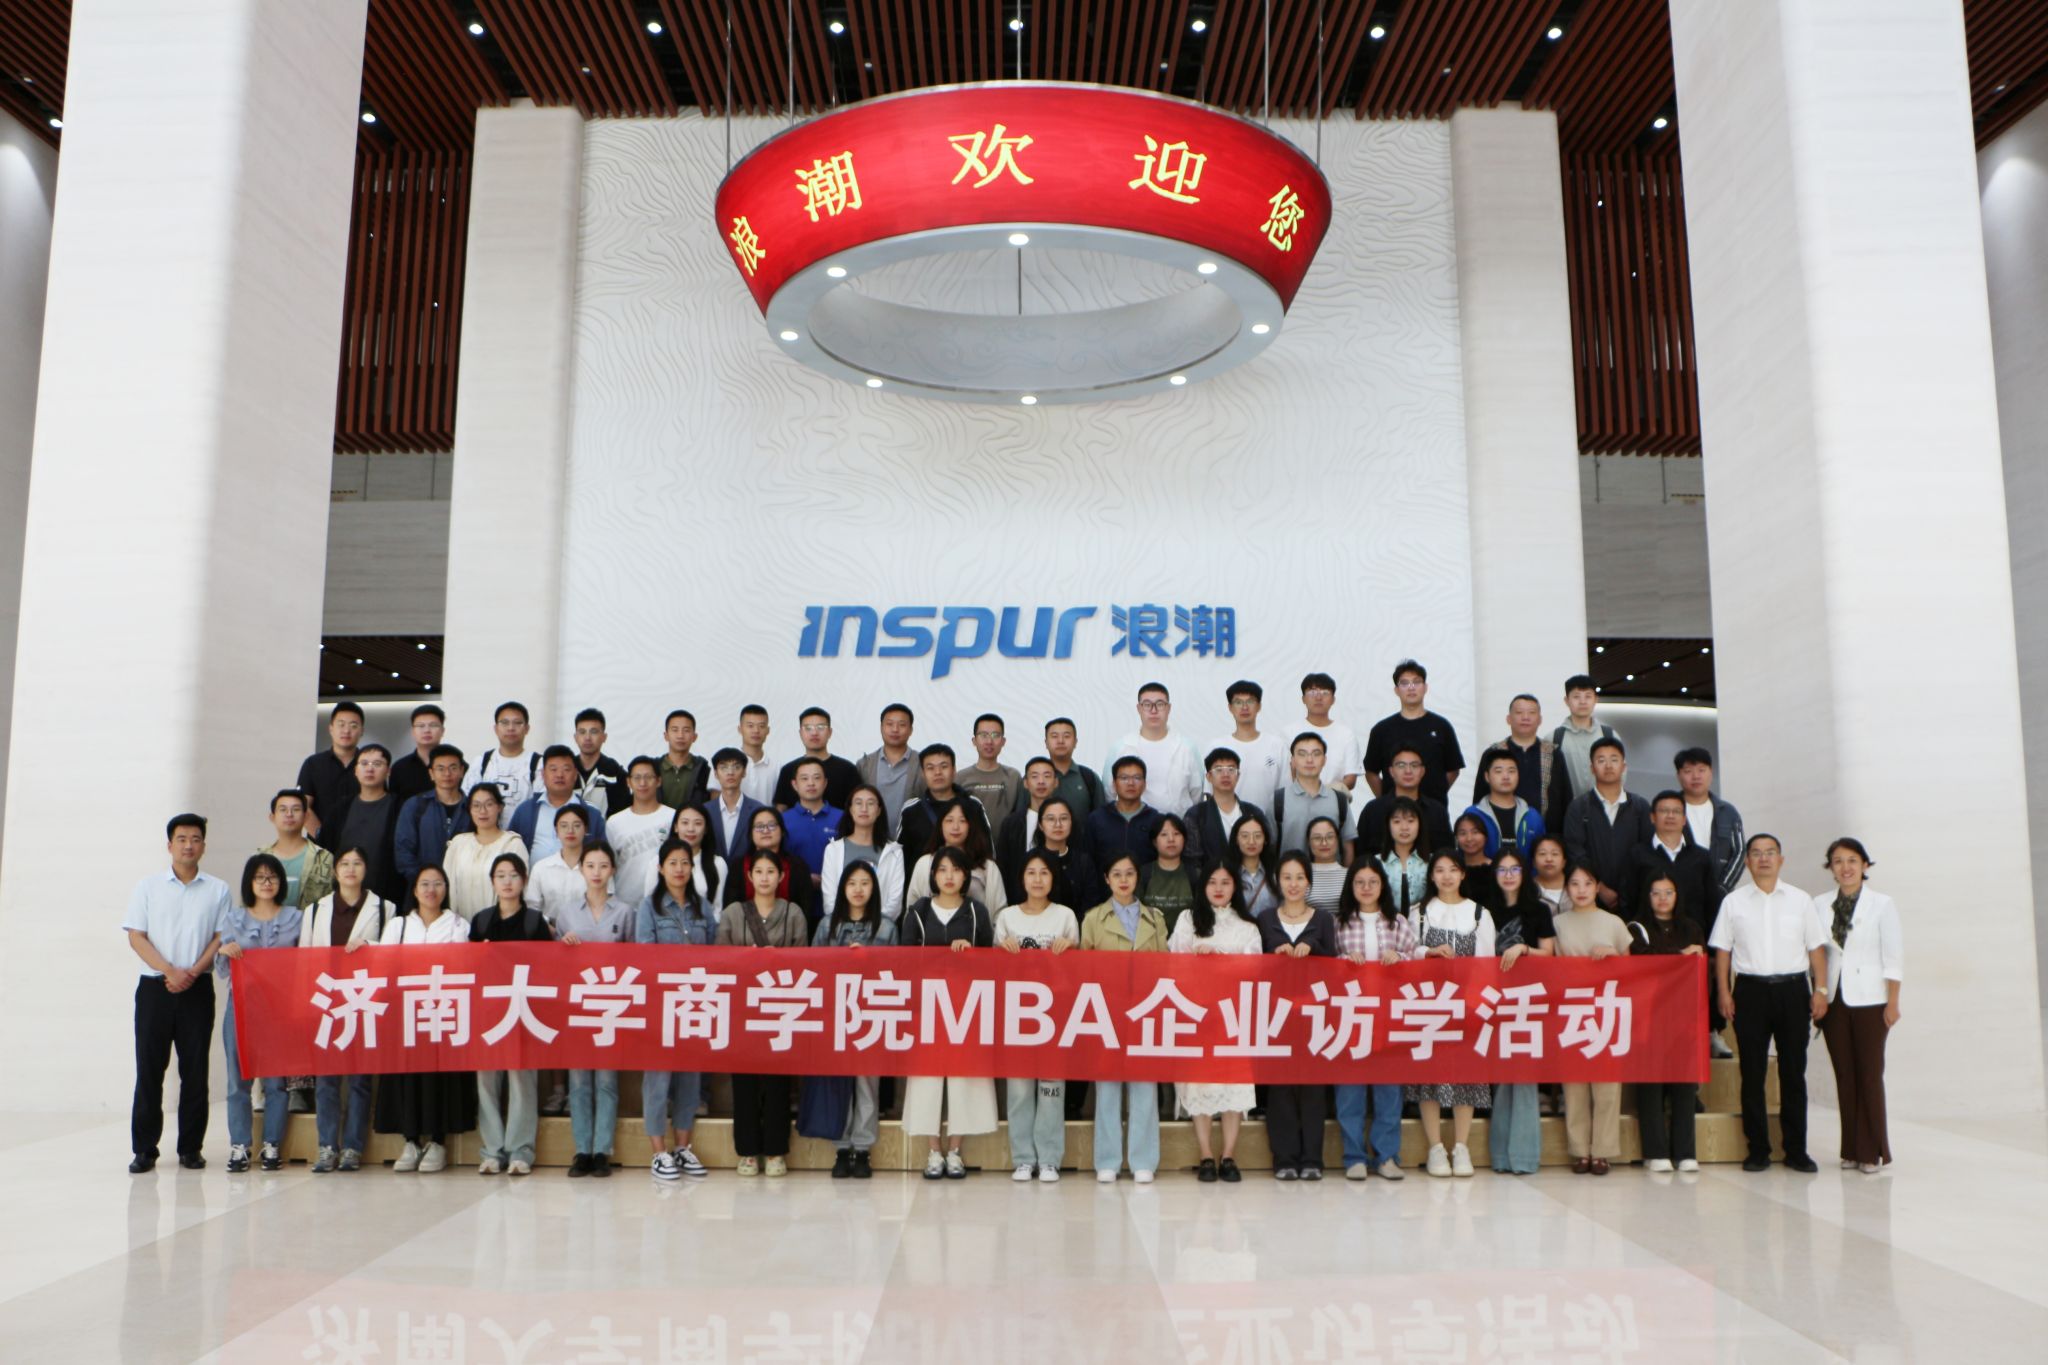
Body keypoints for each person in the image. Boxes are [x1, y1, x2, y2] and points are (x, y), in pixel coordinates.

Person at [1710, 834, 1829, 1174]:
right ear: (1747, 861)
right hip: (1750, 992)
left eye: (1770, 853)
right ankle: (1758, 1149)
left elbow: (1816, 949)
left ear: (1781, 860)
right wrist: (1724, 992)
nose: (1763, 858)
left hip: (1793, 991)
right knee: (1752, 1074)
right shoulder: (1733, 902)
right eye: (1756, 853)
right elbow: (1723, 951)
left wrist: (1820, 990)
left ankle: (1796, 1150)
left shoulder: (1800, 900)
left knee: (1793, 1073)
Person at [125, 816, 229, 1173]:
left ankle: (190, 1148)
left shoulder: (218, 890)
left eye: (195, 839)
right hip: (155, 988)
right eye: (181, 839)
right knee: (149, 1070)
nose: (188, 845)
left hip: (197, 988)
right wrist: (170, 971)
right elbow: (136, 935)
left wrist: (193, 971)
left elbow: (220, 937)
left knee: (195, 1070)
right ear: (169, 845)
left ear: (203, 846)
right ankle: (144, 1149)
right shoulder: (148, 887)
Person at [899, 847, 999, 1178]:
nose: (949, 876)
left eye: (956, 869)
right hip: (927, 1009)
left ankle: (955, 1150)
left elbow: (989, 962)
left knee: (963, 1079)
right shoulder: (918, 911)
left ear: (965, 875)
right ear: (933, 876)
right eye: (942, 869)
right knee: (926, 1079)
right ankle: (933, 1151)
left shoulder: (976, 912)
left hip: (965, 1009)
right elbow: (906, 961)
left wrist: (971, 954)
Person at [372, 865, 475, 1172]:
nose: (431, 890)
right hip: (405, 1013)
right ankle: (410, 1140)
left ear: (446, 889)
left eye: (438, 883)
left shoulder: (458, 925)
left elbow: (464, 966)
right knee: (407, 1076)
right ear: (415, 890)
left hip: (443, 1012)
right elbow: (383, 965)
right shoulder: (399, 925)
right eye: (425, 884)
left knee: (439, 1077)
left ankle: (438, 1142)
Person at [716, 850, 812, 1175]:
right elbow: (720, 960)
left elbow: (804, 960)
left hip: (781, 1006)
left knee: (777, 1082)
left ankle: (775, 1151)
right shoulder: (733, 913)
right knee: (743, 1081)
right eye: (759, 871)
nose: (765, 877)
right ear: (749, 876)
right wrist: (748, 959)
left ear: (781, 876)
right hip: (742, 1008)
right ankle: (746, 1151)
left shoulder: (794, 913)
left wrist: (778, 960)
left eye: (771, 871)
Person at [299, 846, 391, 1171]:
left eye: (357, 863)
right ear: (335, 870)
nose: (351, 869)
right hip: (326, 1002)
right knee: (326, 1080)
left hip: (364, 1001)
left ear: (366, 869)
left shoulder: (385, 907)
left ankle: (352, 1147)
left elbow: (394, 953)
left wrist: (370, 946)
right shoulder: (315, 910)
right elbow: (304, 960)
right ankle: (327, 1147)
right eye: (345, 864)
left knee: (359, 1080)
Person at [1815, 838, 1904, 1175]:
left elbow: (1893, 956)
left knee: (1869, 1074)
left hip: (1871, 999)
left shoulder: (1882, 904)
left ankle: (1872, 1151)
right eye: (1838, 861)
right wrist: (1819, 992)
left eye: (1852, 860)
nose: (1846, 867)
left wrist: (1893, 1001)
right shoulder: (1819, 904)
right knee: (1845, 1075)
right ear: (1831, 868)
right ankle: (1851, 1148)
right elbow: (1818, 953)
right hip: (1834, 999)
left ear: (1865, 865)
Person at [1169, 863, 1262, 1182]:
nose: (1219, 888)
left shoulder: (1247, 926)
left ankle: (1229, 1155)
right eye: (1212, 882)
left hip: (1233, 1017)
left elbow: (1254, 968)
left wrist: (1218, 955)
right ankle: (1206, 1154)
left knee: (1234, 1084)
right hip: (1196, 1015)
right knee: (1199, 1084)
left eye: (1226, 882)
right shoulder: (1187, 919)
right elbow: (1175, 963)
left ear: (1236, 887)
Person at [1079, 852, 1167, 1183]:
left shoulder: (1155, 918)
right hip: (1107, 1012)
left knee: (1144, 1086)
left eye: (1129, 873)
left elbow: (1165, 966)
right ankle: (1108, 1160)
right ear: (1107, 879)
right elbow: (1084, 970)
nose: (1124, 880)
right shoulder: (1093, 919)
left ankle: (1143, 1160)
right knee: (1108, 1087)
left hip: (1145, 1011)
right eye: (1116, 874)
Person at [808, 860, 897, 1179]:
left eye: (865, 883)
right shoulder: (826, 925)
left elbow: (897, 973)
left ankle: (863, 1148)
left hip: (871, 1014)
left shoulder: (886, 927)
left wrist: (869, 959)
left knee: (867, 1084)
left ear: (874, 889)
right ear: (842, 888)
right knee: (839, 1084)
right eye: (852, 883)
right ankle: (842, 1147)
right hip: (835, 1015)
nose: (858, 890)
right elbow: (813, 969)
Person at [215, 854, 304, 1173]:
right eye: (260, 877)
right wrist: (223, 951)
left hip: (279, 1010)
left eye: (272, 877)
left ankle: (272, 1144)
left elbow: (306, 962)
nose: (267, 883)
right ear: (249, 883)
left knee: (276, 1082)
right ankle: (240, 1145)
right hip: (241, 1006)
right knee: (237, 1080)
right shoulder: (234, 919)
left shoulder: (296, 918)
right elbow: (222, 970)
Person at [995, 852, 1080, 1182]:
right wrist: (1002, 952)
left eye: (1044, 872)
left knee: (1051, 1089)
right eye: (1031, 872)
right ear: (1022, 878)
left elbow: (1080, 967)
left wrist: (1070, 949)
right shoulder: (1006, 917)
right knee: (1018, 1091)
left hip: (1055, 1015)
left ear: (1053, 878)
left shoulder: (1066, 916)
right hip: (1017, 1016)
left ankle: (1049, 1159)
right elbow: (992, 969)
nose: (1038, 879)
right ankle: (1023, 1159)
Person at [636, 839, 718, 1180]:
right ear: (660, 868)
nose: (679, 869)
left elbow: (715, 952)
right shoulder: (648, 907)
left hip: (695, 1003)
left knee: (690, 1078)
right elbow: (644, 955)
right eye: (672, 863)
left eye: (685, 862)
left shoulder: (703, 907)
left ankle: (683, 1148)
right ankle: (659, 1152)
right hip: (660, 1004)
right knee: (657, 1079)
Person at [1410, 851, 1494, 1177]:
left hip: (1466, 1008)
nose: (1446, 876)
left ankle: (1461, 1147)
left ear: (1462, 875)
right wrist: (1427, 952)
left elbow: (1487, 967)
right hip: (1429, 1007)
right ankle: (1435, 1148)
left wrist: (1474, 1007)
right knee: (1428, 1079)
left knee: (1466, 1078)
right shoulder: (1419, 913)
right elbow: (1407, 955)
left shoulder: (1479, 913)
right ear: (1431, 876)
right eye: (1440, 870)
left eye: (1453, 870)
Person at [470, 853, 553, 1177]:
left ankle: (521, 1151)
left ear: (524, 881)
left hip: (523, 1011)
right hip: (489, 1013)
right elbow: (469, 968)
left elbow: (547, 967)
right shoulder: (480, 921)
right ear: (492, 882)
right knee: (486, 1080)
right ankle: (492, 1151)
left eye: (514, 875)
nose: (507, 882)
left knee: (522, 1081)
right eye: (501, 875)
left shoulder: (534, 921)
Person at [1332, 859, 1416, 1180]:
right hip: (1350, 1016)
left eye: (1373, 882)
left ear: (1383, 885)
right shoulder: (1339, 922)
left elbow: (1417, 959)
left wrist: (1401, 957)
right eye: (1360, 882)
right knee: (1349, 1092)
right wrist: (1343, 961)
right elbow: (1324, 965)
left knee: (1388, 1091)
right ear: (1351, 887)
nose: (1366, 888)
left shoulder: (1397, 922)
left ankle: (1387, 1157)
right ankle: (1354, 1156)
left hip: (1389, 1016)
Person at [1258, 852, 1339, 1179]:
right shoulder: (1265, 919)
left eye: (1299, 877)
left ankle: (1312, 1160)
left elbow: (1334, 965)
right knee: (1280, 1089)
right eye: (1287, 877)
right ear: (1278, 882)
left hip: (1314, 1015)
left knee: (1313, 1089)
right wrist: (1274, 954)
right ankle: (1285, 1159)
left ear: (1309, 882)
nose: (1293, 884)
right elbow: (1255, 965)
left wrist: (1313, 950)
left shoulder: (1324, 919)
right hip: (1276, 1015)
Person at [558, 842, 635, 1178]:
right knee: (578, 1081)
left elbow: (635, 959)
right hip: (576, 1005)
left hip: (611, 1006)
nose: (597, 872)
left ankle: (602, 1150)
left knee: (605, 1080)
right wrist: (563, 946)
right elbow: (553, 963)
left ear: (613, 870)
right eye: (591, 866)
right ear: (581, 869)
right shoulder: (566, 913)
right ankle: (581, 1150)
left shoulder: (626, 912)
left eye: (604, 866)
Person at [1553, 863, 1633, 1174]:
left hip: (1605, 1008)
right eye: (1575, 884)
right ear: (1567, 889)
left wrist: (1613, 955)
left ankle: (1603, 1150)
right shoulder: (1557, 923)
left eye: (1588, 883)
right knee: (1574, 1084)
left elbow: (1631, 970)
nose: (1582, 890)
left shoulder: (1614, 922)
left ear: (1598, 886)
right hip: (1571, 1009)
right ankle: (1579, 1150)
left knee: (1607, 1085)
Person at [1629, 869, 1705, 1173]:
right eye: (1656, 893)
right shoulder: (1636, 928)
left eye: (1668, 893)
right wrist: (1680, 955)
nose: (1662, 899)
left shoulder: (1691, 928)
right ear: (1647, 897)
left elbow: (1699, 968)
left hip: (1684, 1015)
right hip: (1647, 1015)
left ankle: (1685, 1152)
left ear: (1677, 896)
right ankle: (1655, 1152)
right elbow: (1643, 960)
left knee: (1685, 1086)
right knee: (1650, 1086)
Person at [1486, 850, 1555, 1174]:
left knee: (1525, 1077)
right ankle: (1501, 1157)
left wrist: (1524, 948)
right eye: (1503, 869)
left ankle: (1524, 1157)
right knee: (1501, 1078)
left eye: (1515, 869)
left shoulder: (1538, 909)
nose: (1509, 875)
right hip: (1493, 999)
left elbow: (1549, 953)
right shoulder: (1484, 910)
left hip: (1529, 999)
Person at [1560, 737, 1651, 912]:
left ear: (1623, 766)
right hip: (1590, 898)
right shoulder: (1578, 807)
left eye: (1614, 760)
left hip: (1634, 898)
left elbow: (1646, 852)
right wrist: (1599, 888)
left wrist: (1627, 890)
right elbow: (1575, 851)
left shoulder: (1640, 807)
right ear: (1592, 768)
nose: (1608, 766)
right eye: (1601, 760)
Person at [1363, 661, 1465, 802]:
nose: (1411, 688)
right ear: (1396, 690)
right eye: (1405, 683)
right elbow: (1371, 772)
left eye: (1416, 682)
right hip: (1394, 809)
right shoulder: (1381, 730)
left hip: (1434, 808)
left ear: (1425, 687)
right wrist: (1386, 800)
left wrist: (1437, 794)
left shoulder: (1442, 726)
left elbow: (1453, 769)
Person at [1629, 790, 1724, 940]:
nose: (1670, 816)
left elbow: (1712, 905)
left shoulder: (1701, 857)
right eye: (1664, 811)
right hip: (1650, 943)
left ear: (1684, 819)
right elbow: (1628, 900)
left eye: (1676, 811)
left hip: (1694, 940)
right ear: (1652, 817)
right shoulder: (1638, 855)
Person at [1104, 682, 1204, 815]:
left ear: (1168, 708)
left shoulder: (1187, 748)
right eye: (1147, 704)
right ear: (1139, 708)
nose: (1153, 710)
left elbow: (1197, 794)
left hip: (1179, 824)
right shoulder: (1121, 747)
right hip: (1134, 824)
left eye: (1160, 704)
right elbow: (1108, 794)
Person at [719, 806, 821, 928]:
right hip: (744, 934)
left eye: (772, 825)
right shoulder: (739, 865)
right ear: (751, 834)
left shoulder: (797, 865)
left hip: (788, 933)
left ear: (782, 831)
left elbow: (805, 910)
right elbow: (730, 908)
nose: (766, 831)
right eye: (759, 826)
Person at [819, 785, 906, 926]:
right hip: (841, 930)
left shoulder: (894, 852)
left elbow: (894, 903)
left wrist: (872, 928)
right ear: (850, 809)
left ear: (879, 810)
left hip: (880, 931)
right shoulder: (833, 849)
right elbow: (830, 901)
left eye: (870, 803)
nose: (864, 808)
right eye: (858, 803)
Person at [507, 746, 608, 863]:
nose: (559, 775)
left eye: (566, 769)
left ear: (575, 775)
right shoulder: (525, 811)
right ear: (543, 774)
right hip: (535, 874)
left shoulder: (592, 815)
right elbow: (510, 849)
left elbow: (603, 856)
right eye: (553, 769)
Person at [1470, 693, 1564, 817]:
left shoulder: (1552, 753)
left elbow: (1564, 797)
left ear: (1540, 719)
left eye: (1531, 713)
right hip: (1500, 824)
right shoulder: (1493, 753)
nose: (1525, 717)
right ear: (1508, 719)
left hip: (1544, 826)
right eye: (1519, 712)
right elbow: (1480, 795)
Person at [443, 784, 528, 916]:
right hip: (460, 924)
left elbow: (521, 889)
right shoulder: (458, 844)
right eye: (476, 805)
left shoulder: (512, 844)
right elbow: (446, 885)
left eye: (489, 804)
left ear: (499, 807)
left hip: (499, 924)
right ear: (469, 809)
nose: (482, 811)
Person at [394, 744, 473, 884]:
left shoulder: (473, 807)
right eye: (440, 768)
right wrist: (422, 881)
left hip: (464, 885)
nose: (447, 774)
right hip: (423, 887)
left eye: (453, 768)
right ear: (431, 773)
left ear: (462, 771)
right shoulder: (415, 805)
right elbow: (403, 849)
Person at [334, 744, 403, 902]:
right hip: (344, 894)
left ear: (388, 771)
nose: (370, 769)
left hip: (387, 895)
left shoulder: (400, 807)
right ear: (355, 770)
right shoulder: (340, 809)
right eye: (364, 764)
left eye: (377, 764)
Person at [896, 744, 992, 856]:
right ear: (923, 773)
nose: (938, 772)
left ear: (954, 770)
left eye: (944, 766)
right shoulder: (911, 810)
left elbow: (987, 851)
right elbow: (899, 857)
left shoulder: (973, 805)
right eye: (930, 768)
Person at [1675, 747, 1746, 897]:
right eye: (1688, 771)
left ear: (1711, 772)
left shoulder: (1728, 812)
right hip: (1681, 894)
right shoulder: (1670, 810)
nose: (1696, 776)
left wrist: (1723, 888)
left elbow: (1740, 852)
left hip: (1721, 894)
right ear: (1678, 775)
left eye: (1701, 770)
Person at [606, 756, 677, 905]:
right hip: (624, 903)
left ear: (659, 781)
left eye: (648, 777)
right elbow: (608, 865)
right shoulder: (615, 822)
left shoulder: (672, 817)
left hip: (663, 904)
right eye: (637, 778)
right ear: (628, 782)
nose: (642, 783)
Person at [1354, 748, 1454, 853]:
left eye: (1414, 765)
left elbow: (1447, 853)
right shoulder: (1373, 810)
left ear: (1422, 771)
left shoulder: (1437, 811)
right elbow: (1360, 853)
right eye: (1401, 765)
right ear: (1391, 771)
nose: (1408, 771)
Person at [1184, 746, 1270, 867]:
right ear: (1209, 776)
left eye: (1231, 769)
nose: (1225, 774)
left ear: (1238, 775)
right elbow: (1192, 861)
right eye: (1218, 769)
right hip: (1210, 878)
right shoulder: (1196, 815)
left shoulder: (1254, 813)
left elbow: (1266, 852)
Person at [907, 803, 1006, 908]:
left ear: (971, 826)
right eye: (949, 820)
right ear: (940, 825)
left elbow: (998, 912)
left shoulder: (987, 867)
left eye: (962, 821)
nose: (955, 827)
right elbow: (912, 907)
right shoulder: (924, 863)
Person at [1208, 680, 1287, 809]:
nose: (1244, 707)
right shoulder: (1217, 746)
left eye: (1250, 701)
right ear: (1230, 707)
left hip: (1267, 820)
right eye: (1238, 702)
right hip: (1227, 820)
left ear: (1259, 706)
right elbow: (1209, 791)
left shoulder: (1277, 745)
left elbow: (1285, 790)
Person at [1550, 675, 1619, 823]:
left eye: (1588, 696)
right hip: (1566, 815)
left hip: (1605, 813)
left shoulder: (1609, 735)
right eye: (1576, 697)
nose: (1582, 702)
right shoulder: (1553, 738)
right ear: (1566, 701)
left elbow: (1620, 774)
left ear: (1595, 699)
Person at [1273, 732, 1353, 859]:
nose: (1309, 760)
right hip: (1289, 871)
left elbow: (1348, 846)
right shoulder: (1277, 800)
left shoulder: (1339, 800)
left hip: (1331, 872)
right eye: (1302, 754)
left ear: (1324, 760)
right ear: (1292, 761)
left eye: (1316, 754)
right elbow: (1269, 845)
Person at [1083, 756, 1164, 878]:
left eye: (1137, 778)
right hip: (1105, 888)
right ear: (1114, 784)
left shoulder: (1156, 820)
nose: (1130, 783)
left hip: (1145, 888)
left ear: (1144, 784)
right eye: (1124, 778)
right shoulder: (1097, 819)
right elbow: (1088, 862)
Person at [296, 702, 363, 847]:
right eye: (341, 724)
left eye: (353, 725)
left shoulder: (368, 766)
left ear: (361, 731)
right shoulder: (313, 764)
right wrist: (323, 837)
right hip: (319, 848)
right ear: (331, 728)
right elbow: (302, 805)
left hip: (361, 847)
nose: (346, 730)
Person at [771, 706, 864, 809]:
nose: (814, 733)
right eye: (808, 728)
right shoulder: (788, 771)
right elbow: (781, 810)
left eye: (820, 727)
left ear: (830, 732)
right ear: (800, 733)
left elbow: (858, 806)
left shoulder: (847, 770)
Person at [1464, 746, 1546, 860]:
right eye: (1498, 771)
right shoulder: (1473, 815)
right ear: (1487, 776)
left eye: (1511, 771)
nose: (1506, 777)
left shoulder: (1532, 816)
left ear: (1518, 775)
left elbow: (1540, 857)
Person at [259, 788, 333, 912]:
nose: (289, 814)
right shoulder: (259, 858)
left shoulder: (324, 858)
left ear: (306, 816)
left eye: (296, 809)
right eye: (283, 809)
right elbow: (247, 905)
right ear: (272, 817)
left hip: (311, 924)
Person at [996, 757, 1060, 894]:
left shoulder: (1066, 820)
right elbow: (1003, 866)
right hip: (1019, 897)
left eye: (1047, 776)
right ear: (1025, 783)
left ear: (1056, 782)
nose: (1041, 781)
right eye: (1034, 776)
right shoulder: (1011, 823)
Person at [857, 702, 925, 827]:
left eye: (902, 725)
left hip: (910, 836)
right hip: (872, 836)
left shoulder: (922, 764)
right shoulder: (865, 764)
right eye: (889, 724)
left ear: (911, 730)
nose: (895, 729)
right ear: (881, 727)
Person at [523, 805, 595, 924]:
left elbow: (606, 903)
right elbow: (532, 907)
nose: (570, 830)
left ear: (586, 829)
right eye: (564, 826)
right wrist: (549, 926)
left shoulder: (597, 867)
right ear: (556, 831)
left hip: (588, 930)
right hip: (548, 930)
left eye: (577, 825)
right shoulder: (541, 868)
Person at [778, 757, 844, 886]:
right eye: (804, 778)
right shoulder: (782, 820)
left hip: (835, 890)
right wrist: (802, 877)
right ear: (794, 784)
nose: (811, 783)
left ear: (825, 783)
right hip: (794, 891)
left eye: (816, 778)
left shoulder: (842, 817)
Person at [466, 701, 542, 812]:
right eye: (504, 723)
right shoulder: (481, 762)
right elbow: (468, 799)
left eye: (518, 723)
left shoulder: (539, 764)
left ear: (527, 728)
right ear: (496, 728)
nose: (511, 728)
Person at [1297, 671, 1365, 790]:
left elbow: (1350, 778)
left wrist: (1324, 795)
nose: (1318, 697)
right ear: (1303, 699)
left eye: (1325, 692)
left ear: (1333, 699)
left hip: (1335, 798)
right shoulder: (1287, 733)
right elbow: (1286, 775)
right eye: (1312, 692)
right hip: (1297, 798)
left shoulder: (1346, 735)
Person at [1030, 798, 1099, 913]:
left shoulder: (1084, 862)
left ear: (1071, 822)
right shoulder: (1030, 860)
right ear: (1040, 825)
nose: (1058, 824)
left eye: (1063, 818)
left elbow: (1091, 905)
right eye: (1051, 819)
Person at [703, 747, 770, 865]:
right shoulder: (704, 810)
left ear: (744, 772)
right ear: (715, 774)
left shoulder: (758, 810)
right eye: (724, 767)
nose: (730, 772)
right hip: (713, 873)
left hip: (747, 872)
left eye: (736, 767)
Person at [957, 713, 1023, 832]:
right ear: (974, 741)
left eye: (995, 735)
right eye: (983, 735)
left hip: (1007, 842)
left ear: (1003, 741)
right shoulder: (960, 778)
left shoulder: (1013, 777)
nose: (989, 741)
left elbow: (1020, 816)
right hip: (972, 842)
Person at [1136, 815, 1201, 935]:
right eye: (1164, 834)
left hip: (1186, 942)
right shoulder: (1142, 874)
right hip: (1151, 942)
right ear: (1154, 842)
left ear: (1184, 839)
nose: (1171, 839)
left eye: (1176, 834)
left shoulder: (1196, 875)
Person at [570, 707, 631, 816]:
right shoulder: (567, 769)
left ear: (604, 737)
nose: (587, 738)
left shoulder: (615, 772)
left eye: (593, 732)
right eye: (582, 732)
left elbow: (623, 813)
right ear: (575, 737)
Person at [1042, 716, 1106, 818]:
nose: (1060, 741)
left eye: (1066, 736)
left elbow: (1101, 818)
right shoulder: (1035, 778)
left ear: (1075, 742)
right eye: (1054, 736)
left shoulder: (1089, 778)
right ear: (1046, 743)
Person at [1375, 798, 1431, 914]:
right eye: (1397, 821)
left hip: (1424, 922)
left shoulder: (1432, 862)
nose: (1404, 827)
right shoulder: (1376, 863)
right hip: (1386, 923)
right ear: (1388, 825)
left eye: (1410, 821)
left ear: (1419, 824)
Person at [388, 703, 447, 808]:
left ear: (442, 731)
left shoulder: (455, 767)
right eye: (421, 726)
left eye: (433, 725)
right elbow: (395, 806)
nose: (427, 730)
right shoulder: (399, 768)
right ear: (413, 731)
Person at [668, 805, 728, 907]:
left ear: (706, 829)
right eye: (685, 822)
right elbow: (651, 906)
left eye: (698, 823)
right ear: (676, 827)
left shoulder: (718, 864)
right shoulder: (659, 862)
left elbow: (718, 908)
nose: (691, 829)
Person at [657, 709, 712, 811]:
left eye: (686, 730)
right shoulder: (654, 768)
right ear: (666, 736)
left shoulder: (703, 769)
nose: (680, 736)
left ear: (694, 737)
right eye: (675, 730)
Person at [1232, 816, 1279, 919]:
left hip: (1270, 928)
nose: (1251, 842)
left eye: (1257, 836)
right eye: (1245, 836)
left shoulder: (1277, 873)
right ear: (1236, 839)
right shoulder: (1228, 873)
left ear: (1265, 839)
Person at [1452, 812, 1501, 911]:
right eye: (1463, 833)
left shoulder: (1498, 869)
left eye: (1475, 832)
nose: (1469, 838)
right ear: (1456, 838)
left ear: (1485, 836)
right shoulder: (1453, 870)